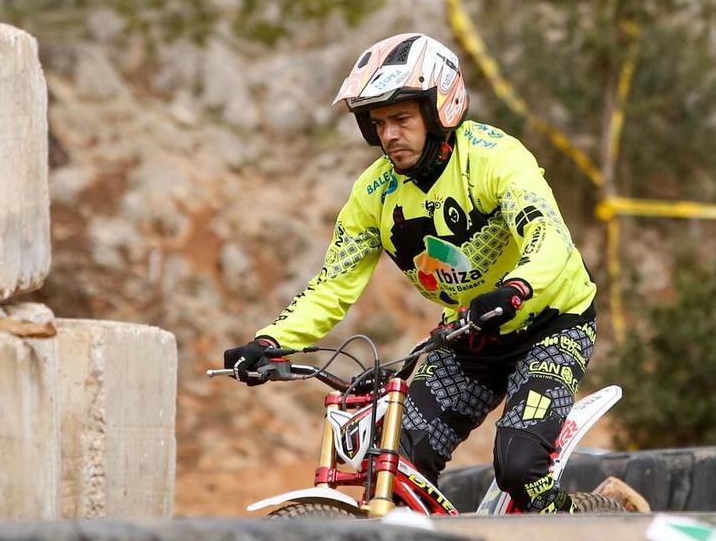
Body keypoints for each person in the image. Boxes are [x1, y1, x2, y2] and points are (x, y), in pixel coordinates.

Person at [222, 32, 600, 513]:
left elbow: (549, 238)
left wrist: (517, 286)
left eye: (401, 118)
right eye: (378, 123)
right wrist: (271, 341)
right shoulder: (373, 194)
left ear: (441, 107)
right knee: (397, 460)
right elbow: (334, 281)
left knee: (519, 466)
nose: (389, 135)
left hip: (551, 321)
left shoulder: (494, 157)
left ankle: (577, 527)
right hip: (471, 334)